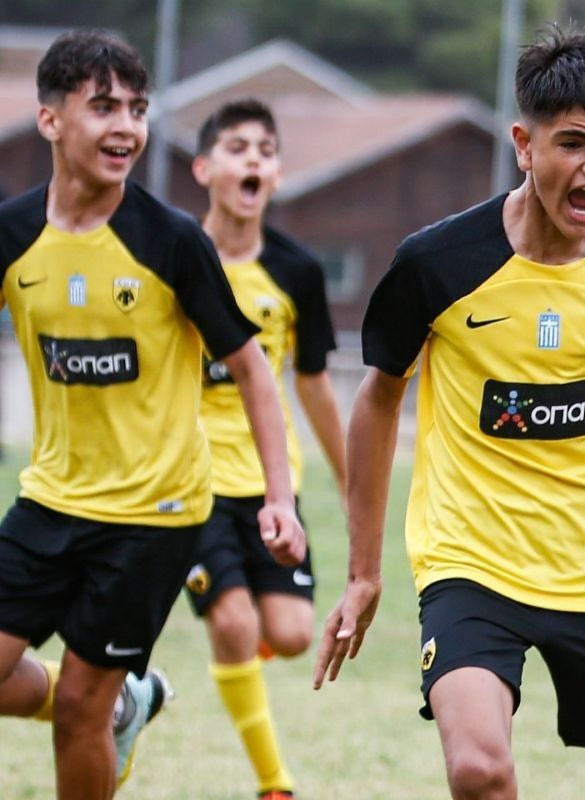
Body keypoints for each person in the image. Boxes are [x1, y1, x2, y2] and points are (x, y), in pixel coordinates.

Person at [313, 27, 585, 799]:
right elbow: (379, 395)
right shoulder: (436, 264)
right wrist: (363, 571)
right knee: (478, 770)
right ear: (524, 144)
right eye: (575, 143)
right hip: (471, 566)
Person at [0, 31, 304, 798]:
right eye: (103, 107)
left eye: (137, 109)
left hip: (153, 515)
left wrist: (278, 498)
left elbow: (251, 367)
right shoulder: (13, 235)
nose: (127, 127)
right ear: (49, 119)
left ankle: (106, 704)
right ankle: (127, 704)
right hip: (50, 499)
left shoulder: (171, 241)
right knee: (77, 700)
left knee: (79, 709)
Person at [186, 98, 345, 800]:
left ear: (277, 175)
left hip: (269, 481)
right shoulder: (174, 255)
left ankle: (239, 648)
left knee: (292, 633)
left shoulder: (297, 270)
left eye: (266, 150)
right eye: (237, 147)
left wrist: (351, 479)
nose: (253, 159)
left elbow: (312, 383)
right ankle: (273, 783)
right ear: (203, 168)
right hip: (189, 482)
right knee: (233, 621)